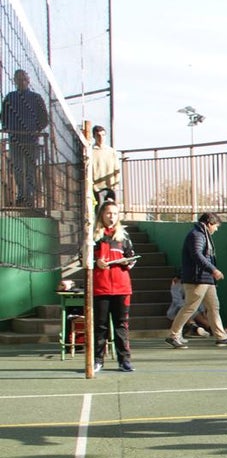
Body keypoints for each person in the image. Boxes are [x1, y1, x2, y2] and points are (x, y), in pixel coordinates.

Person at [165, 213, 227, 349]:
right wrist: (213, 270)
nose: (216, 229)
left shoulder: (200, 234)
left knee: (213, 307)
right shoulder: (197, 235)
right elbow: (197, 255)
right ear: (209, 223)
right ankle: (173, 335)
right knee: (190, 307)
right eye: (216, 226)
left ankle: (221, 337)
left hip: (205, 279)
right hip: (197, 279)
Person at [90, 201, 134, 372]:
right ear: (102, 214)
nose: (112, 217)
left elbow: (132, 257)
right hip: (101, 288)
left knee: (121, 325)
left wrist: (127, 262)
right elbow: (83, 259)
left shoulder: (123, 237)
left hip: (122, 288)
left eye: (115, 214)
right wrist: (96, 262)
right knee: (101, 326)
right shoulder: (93, 236)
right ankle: (97, 360)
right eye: (109, 213)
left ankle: (124, 360)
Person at [2, 69, 49, 206]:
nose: (21, 82)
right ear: (15, 81)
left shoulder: (36, 98)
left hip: (31, 140)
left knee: (30, 169)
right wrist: (9, 128)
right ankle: (23, 195)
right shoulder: (10, 98)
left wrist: (34, 130)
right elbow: (3, 117)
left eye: (23, 79)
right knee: (18, 168)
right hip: (16, 140)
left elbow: (44, 118)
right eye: (18, 79)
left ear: (28, 80)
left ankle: (30, 196)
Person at [89, 125, 121, 207]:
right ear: (94, 136)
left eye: (103, 135)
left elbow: (117, 169)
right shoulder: (90, 151)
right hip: (97, 187)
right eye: (98, 135)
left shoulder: (111, 151)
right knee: (100, 208)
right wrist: (92, 185)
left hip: (111, 186)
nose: (101, 138)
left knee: (112, 207)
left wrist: (116, 184)